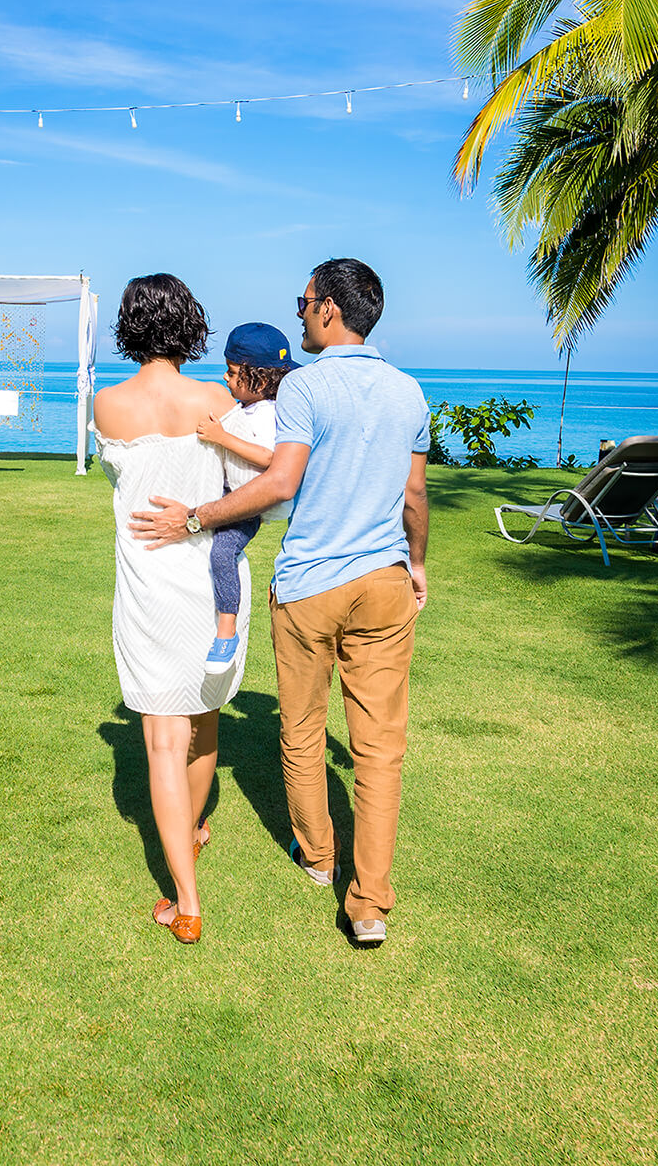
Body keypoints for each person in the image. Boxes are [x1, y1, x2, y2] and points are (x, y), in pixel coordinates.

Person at [132, 258, 428, 948]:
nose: (299, 313)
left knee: (300, 731)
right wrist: (416, 564)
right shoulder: (409, 391)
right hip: (385, 581)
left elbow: (279, 480)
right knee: (380, 751)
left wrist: (199, 517)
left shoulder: (305, 389)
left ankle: (321, 858)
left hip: (309, 588)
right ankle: (370, 905)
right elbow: (415, 496)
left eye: (304, 301)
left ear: (329, 310)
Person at [91, 274, 241, 945]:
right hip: (213, 586)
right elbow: (250, 483)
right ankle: (195, 829)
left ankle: (186, 900)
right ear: (189, 322)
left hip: (149, 587)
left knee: (161, 738)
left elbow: (118, 478)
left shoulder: (108, 405)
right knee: (204, 720)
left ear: (129, 324)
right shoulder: (216, 399)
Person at [194, 322, 297, 674]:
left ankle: (227, 630)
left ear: (261, 379)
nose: (226, 378)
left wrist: (222, 438)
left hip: (249, 502)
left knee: (223, 552)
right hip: (231, 491)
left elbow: (271, 458)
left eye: (233, 372)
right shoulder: (248, 409)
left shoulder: (268, 412)